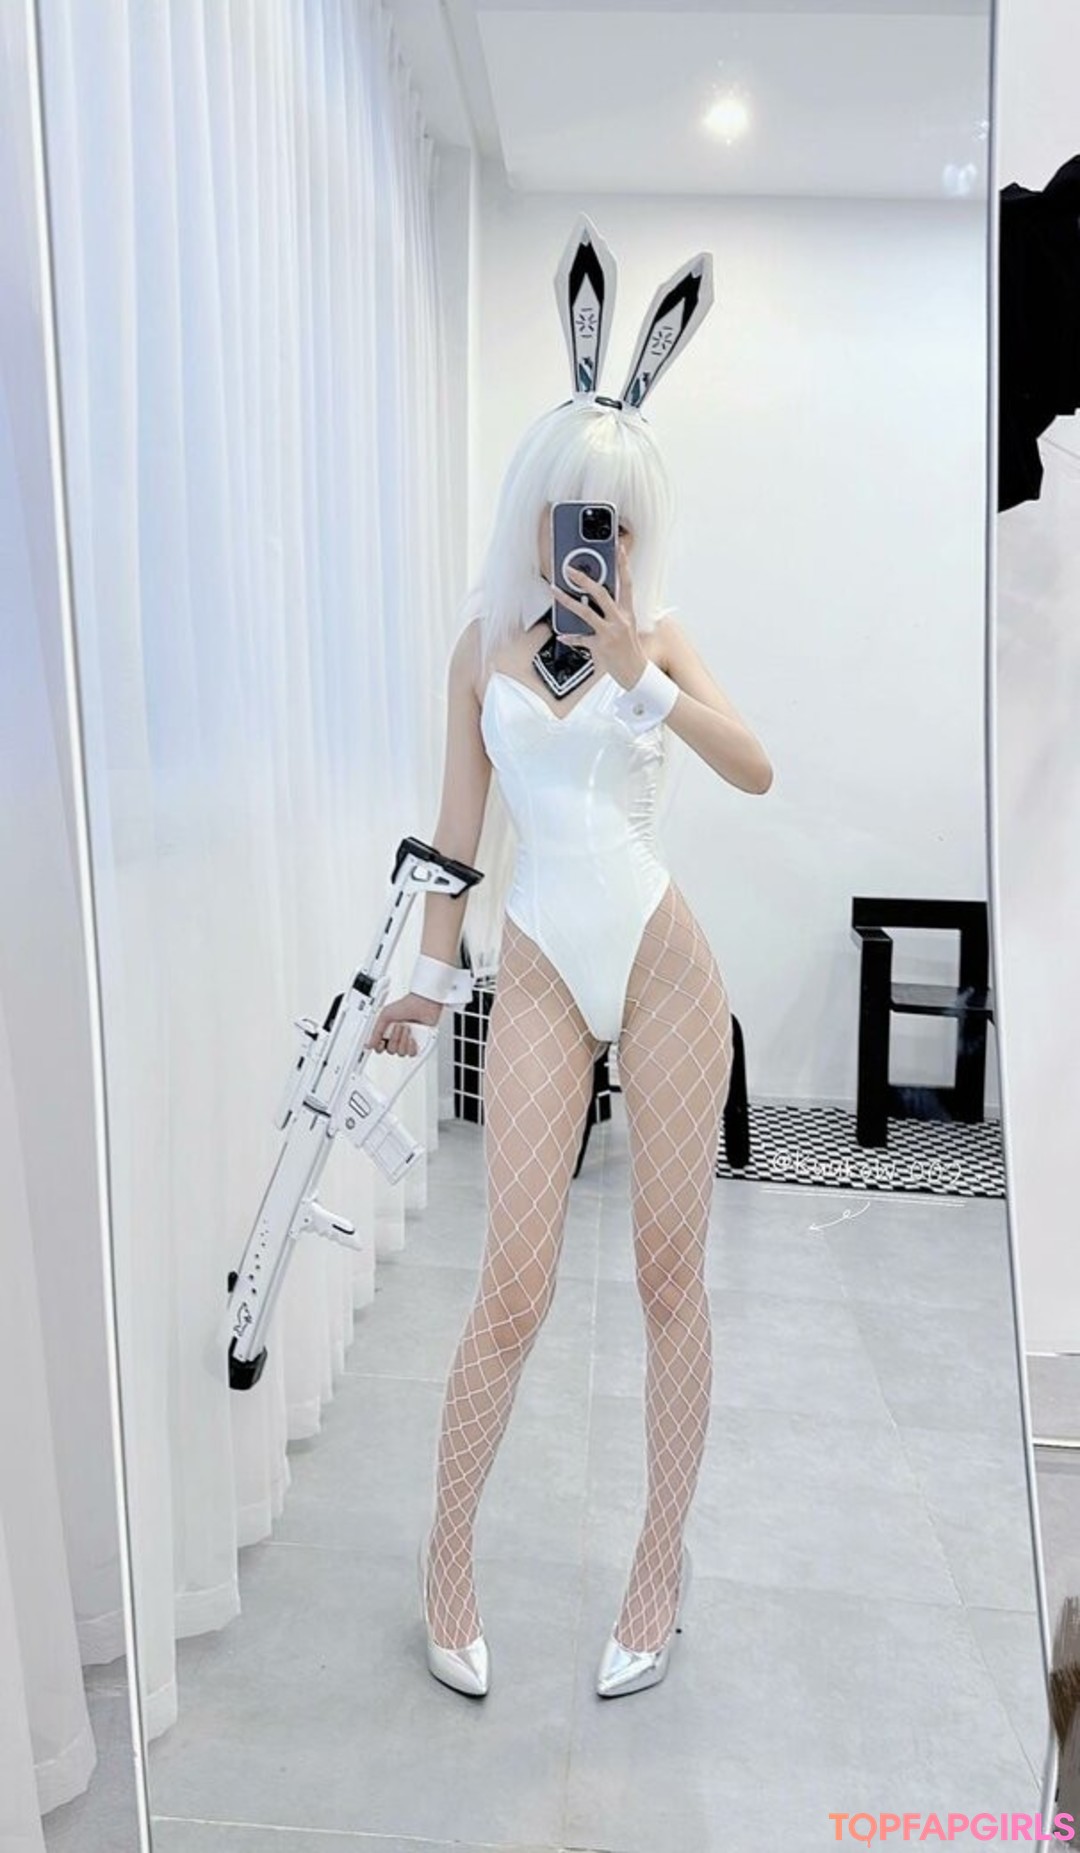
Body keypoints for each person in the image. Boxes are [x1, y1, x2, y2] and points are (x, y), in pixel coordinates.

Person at [367, 217, 773, 1700]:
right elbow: (455, 835)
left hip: (664, 966)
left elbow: (757, 768)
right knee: (514, 1282)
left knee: (673, 1278)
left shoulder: (655, 640)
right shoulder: (479, 645)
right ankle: (446, 1559)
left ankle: (661, 1564)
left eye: (616, 520)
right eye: (572, 514)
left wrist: (641, 680)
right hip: (537, 964)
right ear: (534, 511)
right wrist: (425, 980)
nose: (593, 543)